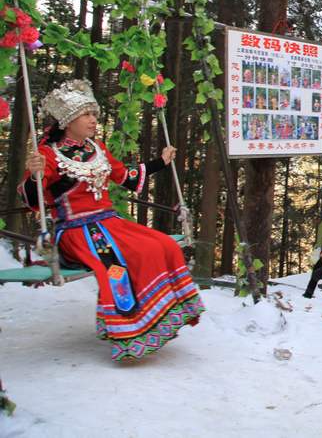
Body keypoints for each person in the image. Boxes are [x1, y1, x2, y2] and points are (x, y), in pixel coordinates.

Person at [20, 79, 204, 362]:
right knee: (118, 264)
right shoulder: (47, 154)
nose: (94, 120)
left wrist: (161, 162)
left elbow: (126, 177)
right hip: (76, 229)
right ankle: (128, 327)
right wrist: (34, 174)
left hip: (109, 222)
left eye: (94, 114)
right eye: (87, 115)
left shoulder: (97, 148)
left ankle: (158, 317)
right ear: (68, 121)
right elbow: (33, 198)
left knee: (164, 245)